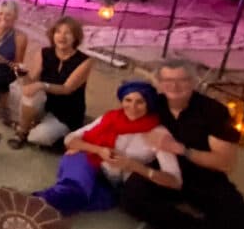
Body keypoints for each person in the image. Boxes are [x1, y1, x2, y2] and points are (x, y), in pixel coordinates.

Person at [123, 60, 244, 229]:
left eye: (182, 80)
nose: (175, 86)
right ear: (159, 83)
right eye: (168, 80)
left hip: (205, 177)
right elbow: (121, 118)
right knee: (130, 194)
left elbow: (226, 163)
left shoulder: (213, 112)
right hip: (166, 171)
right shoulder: (154, 104)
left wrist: (181, 149)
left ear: (194, 82)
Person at [35, 80, 181, 216]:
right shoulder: (111, 118)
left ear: (149, 103)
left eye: (140, 102)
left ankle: (30, 205)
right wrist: (98, 150)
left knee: (86, 200)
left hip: (113, 184)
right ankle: (33, 204)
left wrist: (133, 166)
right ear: (122, 101)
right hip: (86, 160)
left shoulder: (158, 134)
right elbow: (70, 139)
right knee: (75, 190)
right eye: (128, 100)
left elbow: (175, 182)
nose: (133, 107)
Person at [9, 16, 93, 150]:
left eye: (68, 33)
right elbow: (32, 82)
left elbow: (67, 88)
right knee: (25, 92)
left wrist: (41, 85)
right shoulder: (45, 53)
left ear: (76, 37)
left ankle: (57, 133)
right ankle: (22, 131)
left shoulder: (85, 61)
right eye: (58, 32)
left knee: (36, 138)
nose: (62, 36)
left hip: (66, 111)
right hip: (45, 103)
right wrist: (22, 74)